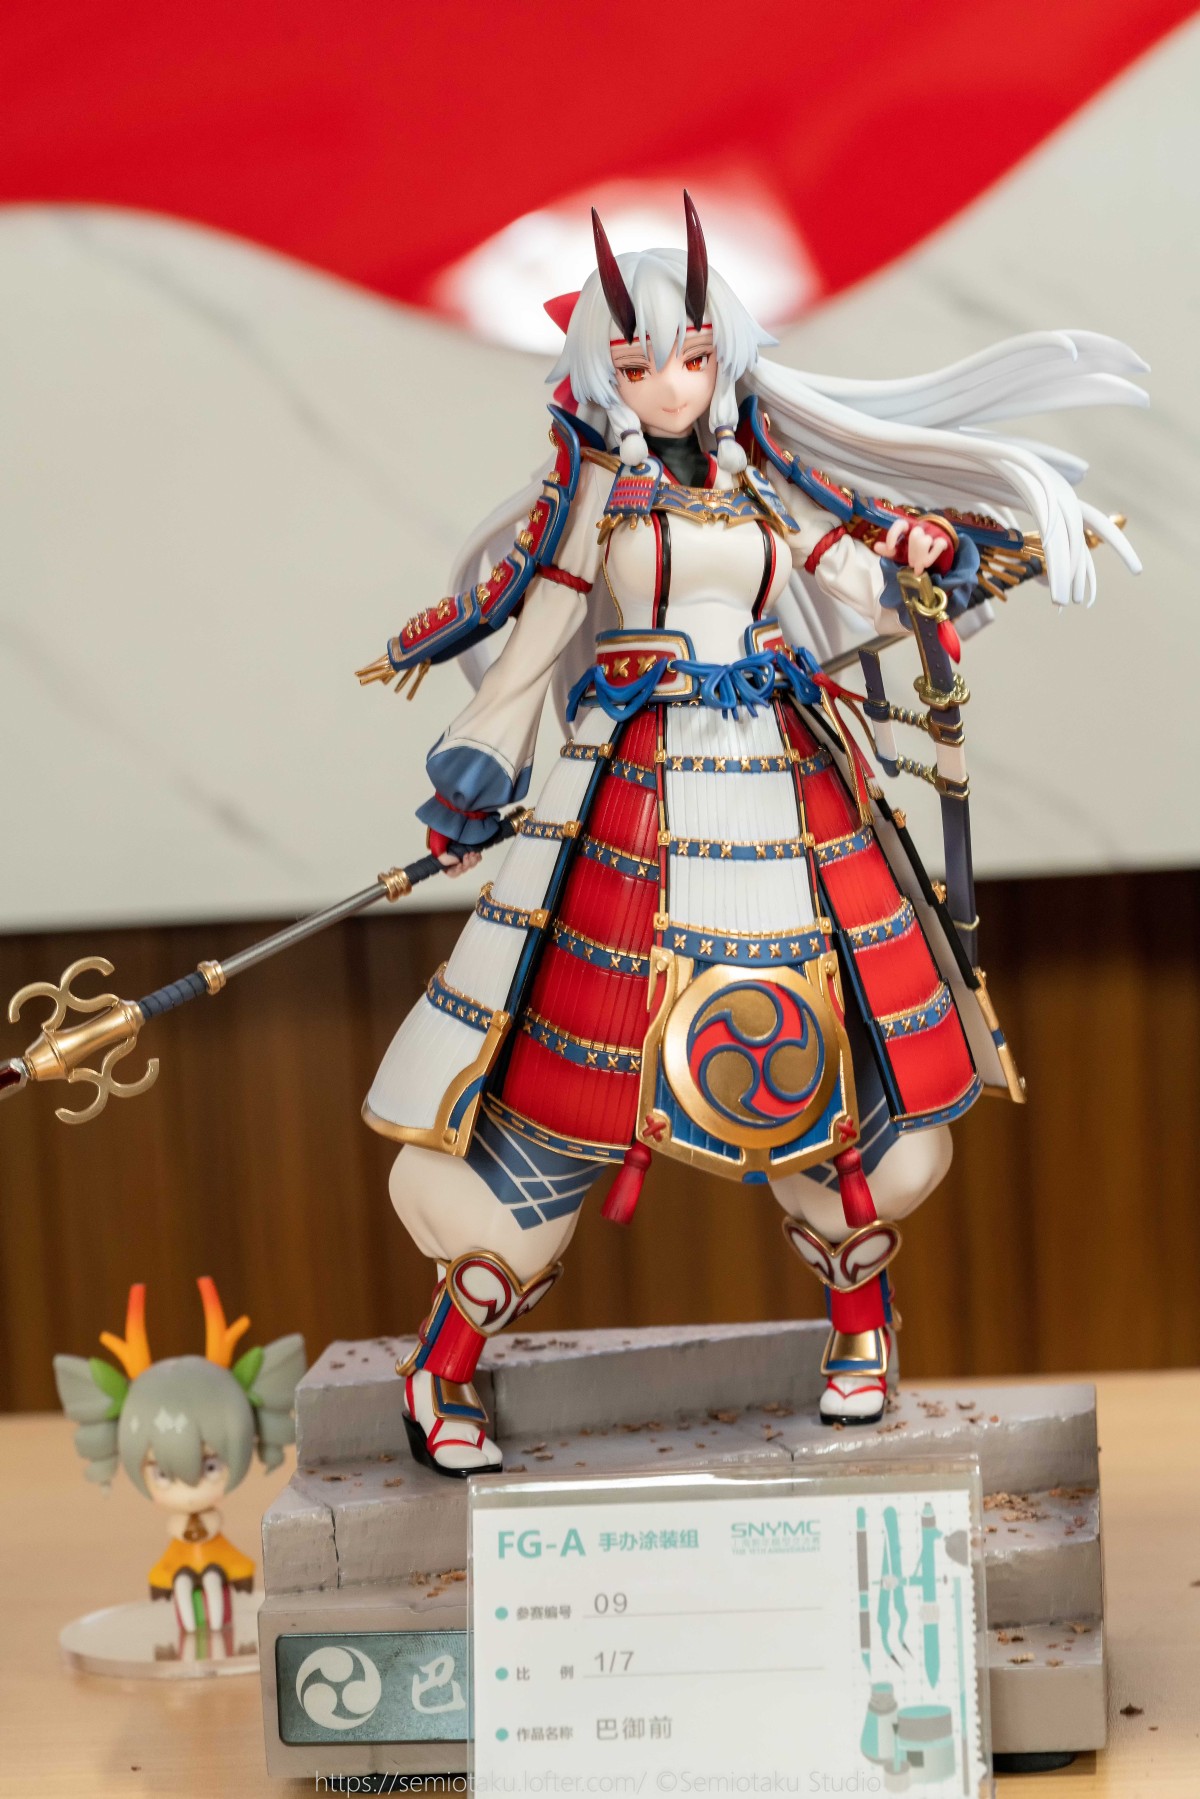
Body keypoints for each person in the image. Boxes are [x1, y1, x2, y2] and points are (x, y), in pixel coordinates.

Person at [356, 193, 1144, 1476]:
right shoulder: (598, 492)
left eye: (690, 355)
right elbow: (547, 621)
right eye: (636, 366)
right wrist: (480, 757)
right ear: (602, 376)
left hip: (782, 778)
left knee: (826, 1051)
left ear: (722, 352)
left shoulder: (757, 481)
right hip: (637, 796)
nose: (669, 384)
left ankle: (861, 1324)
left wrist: (924, 551)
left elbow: (844, 563)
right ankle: (443, 1362)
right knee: (562, 1081)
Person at [54, 1278, 305, 1629]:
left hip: (219, 1559)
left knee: (217, 1584)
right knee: (182, 1585)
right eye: (161, 1474)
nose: (189, 1490)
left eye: (211, 1466)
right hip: (180, 1561)